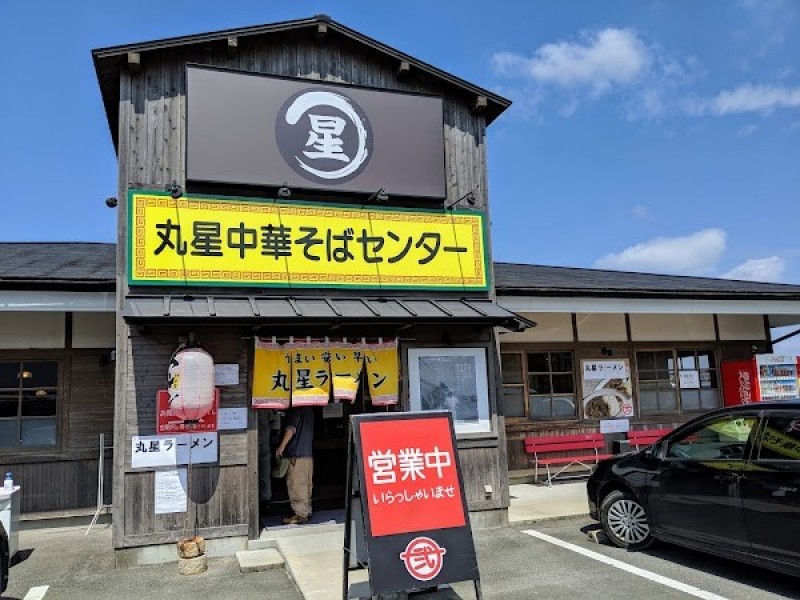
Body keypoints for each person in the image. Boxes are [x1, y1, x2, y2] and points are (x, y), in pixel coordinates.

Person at [276, 406, 315, 525]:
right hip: (307, 452)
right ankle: (306, 511)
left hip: (296, 453)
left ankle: (300, 514)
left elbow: (291, 429)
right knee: (306, 484)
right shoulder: (309, 409)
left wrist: (281, 447)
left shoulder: (295, 409)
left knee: (296, 483)